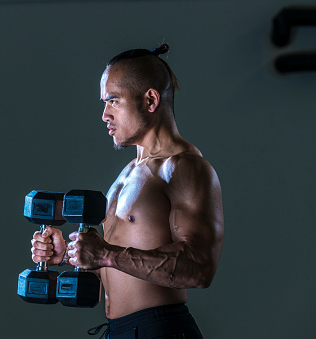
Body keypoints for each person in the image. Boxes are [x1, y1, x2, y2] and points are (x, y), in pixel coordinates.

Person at [31, 44, 224, 338]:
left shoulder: (184, 167)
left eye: (113, 101)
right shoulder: (129, 173)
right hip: (120, 330)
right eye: (103, 102)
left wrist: (106, 253)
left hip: (160, 329)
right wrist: (72, 255)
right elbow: (121, 268)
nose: (105, 114)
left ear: (150, 100)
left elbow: (199, 267)